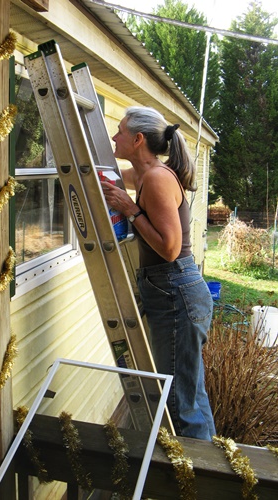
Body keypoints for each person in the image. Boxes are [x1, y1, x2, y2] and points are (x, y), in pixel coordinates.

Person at [101, 106, 216, 440]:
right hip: (176, 291)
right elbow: (113, 177)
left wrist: (130, 210)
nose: (113, 136)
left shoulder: (155, 179)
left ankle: (190, 481)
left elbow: (169, 249)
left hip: (175, 292)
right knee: (191, 394)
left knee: (179, 406)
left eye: (119, 131)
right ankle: (212, 474)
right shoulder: (147, 174)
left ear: (138, 140)